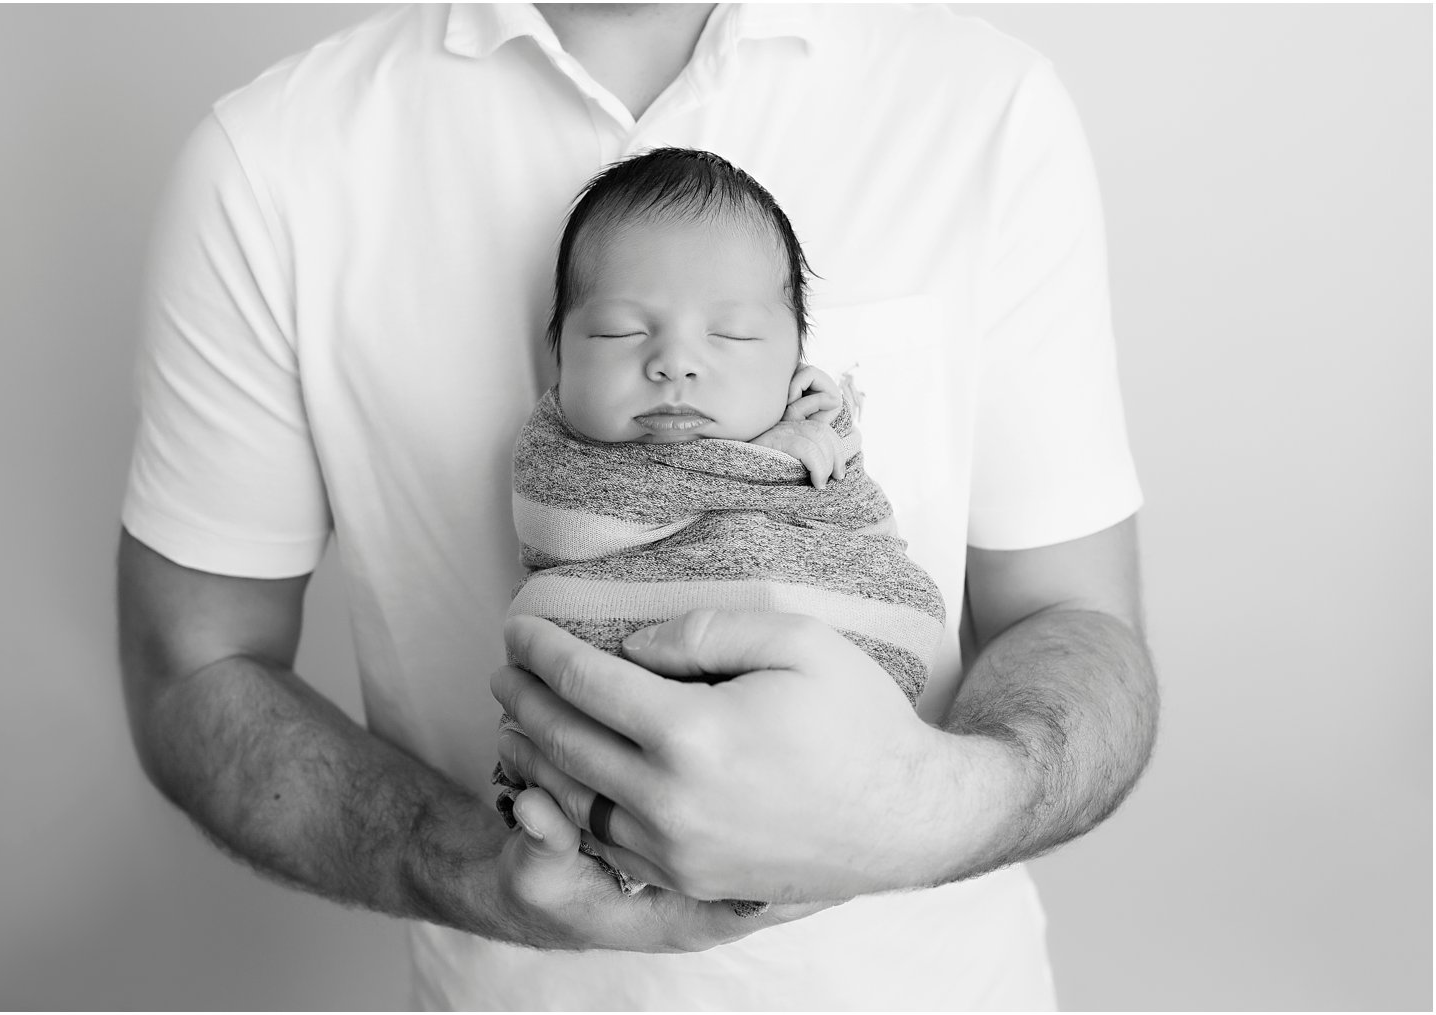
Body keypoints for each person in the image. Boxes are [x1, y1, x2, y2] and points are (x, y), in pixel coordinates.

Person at [118, 4, 1158, 1009]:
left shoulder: (982, 106)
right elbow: (195, 667)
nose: (673, 364)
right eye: (617, 336)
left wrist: (916, 810)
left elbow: (1077, 625)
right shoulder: (271, 163)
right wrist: (480, 871)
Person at [493, 147, 947, 911]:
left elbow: (864, 533)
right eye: (616, 333)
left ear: (797, 363)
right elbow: (570, 525)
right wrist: (759, 463)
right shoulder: (559, 455)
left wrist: (822, 439)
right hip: (618, 705)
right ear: (560, 360)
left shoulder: (811, 433)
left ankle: (777, 824)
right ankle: (589, 843)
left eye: (731, 336)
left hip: (825, 746)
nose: (674, 363)